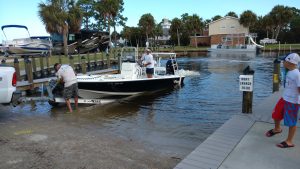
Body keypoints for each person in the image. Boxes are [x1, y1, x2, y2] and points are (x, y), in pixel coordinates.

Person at [265, 53, 300, 148]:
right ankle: (277, 129)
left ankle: (289, 141)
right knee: (276, 114)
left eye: (284, 61)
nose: (282, 62)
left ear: (289, 62)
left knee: (291, 122)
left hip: (292, 101)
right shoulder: (288, 71)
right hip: (284, 98)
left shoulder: (297, 74)